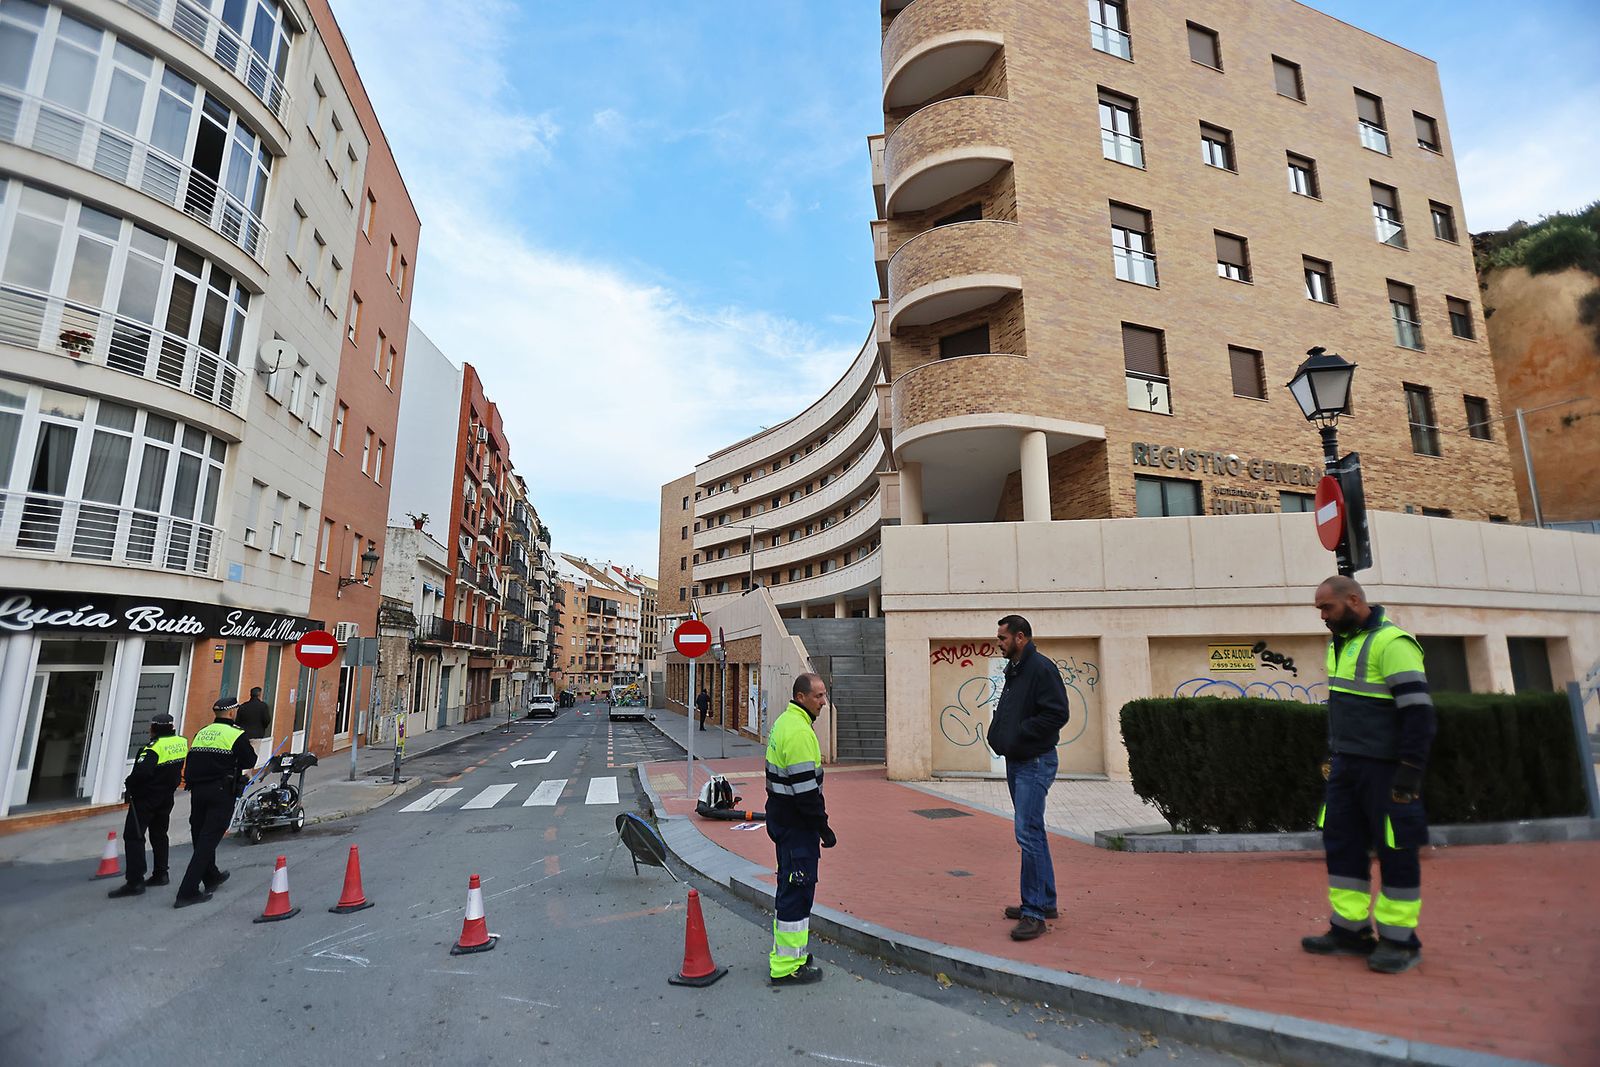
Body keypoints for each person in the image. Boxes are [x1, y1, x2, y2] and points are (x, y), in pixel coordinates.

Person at [1302, 576, 1436, 975]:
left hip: (1386, 770)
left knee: (1396, 851)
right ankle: (1350, 931)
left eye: (1327, 608)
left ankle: (1399, 941)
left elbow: (1419, 714)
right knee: (1342, 845)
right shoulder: (1342, 643)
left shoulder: (1392, 643)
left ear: (1354, 600)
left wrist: (1410, 771)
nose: (1323, 617)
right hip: (1347, 766)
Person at [986, 614, 1070, 942]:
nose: (999, 642)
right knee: (1033, 831)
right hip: (1018, 760)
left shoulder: (1041, 668)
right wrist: (1000, 733)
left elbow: (1057, 713)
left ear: (1020, 637)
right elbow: (1008, 709)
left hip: (1034, 762)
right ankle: (1044, 902)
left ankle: (1034, 913)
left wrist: (1020, 734)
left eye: (1003, 638)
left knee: (1027, 833)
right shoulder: (1016, 669)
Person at [765, 672, 834, 986]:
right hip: (797, 826)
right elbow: (806, 793)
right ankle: (787, 966)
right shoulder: (799, 732)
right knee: (797, 890)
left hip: (784, 821)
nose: (823, 702)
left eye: (824, 695)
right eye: (818, 696)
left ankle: (790, 955)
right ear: (801, 696)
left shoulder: (786, 722)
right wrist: (824, 828)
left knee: (789, 885)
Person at [174, 698, 256, 908]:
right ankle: (187, 891)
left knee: (200, 834)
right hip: (221, 790)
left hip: (198, 791)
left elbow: (191, 761)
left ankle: (211, 876)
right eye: (236, 709)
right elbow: (250, 761)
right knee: (208, 840)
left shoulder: (203, 732)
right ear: (231, 713)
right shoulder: (235, 734)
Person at [108, 713, 188, 899]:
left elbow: (142, 773)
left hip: (146, 798)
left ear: (154, 728)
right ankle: (161, 873)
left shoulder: (152, 748)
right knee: (159, 834)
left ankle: (135, 881)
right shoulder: (180, 742)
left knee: (134, 836)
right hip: (167, 796)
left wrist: (129, 783)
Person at [234, 686, 272, 766]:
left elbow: (237, 721)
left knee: (243, 755)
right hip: (257, 735)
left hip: (243, 735)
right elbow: (267, 720)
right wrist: (262, 727)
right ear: (259, 695)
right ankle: (247, 776)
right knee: (252, 758)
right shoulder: (263, 706)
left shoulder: (243, 706)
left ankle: (242, 774)